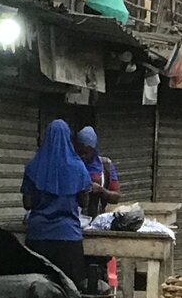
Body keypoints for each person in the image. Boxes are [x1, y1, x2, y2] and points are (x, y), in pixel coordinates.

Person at [21, 119, 92, 287]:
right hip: (68, 238)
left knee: (37, 290)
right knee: (70, 290)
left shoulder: (33, 167)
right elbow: (84, 202)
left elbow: (27, 203)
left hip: (38, 236)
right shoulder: (78, 167)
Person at [74, 126, 120, 219]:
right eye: (80, 152)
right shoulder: (73, 165)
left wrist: (101, 190)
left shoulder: (106, 165)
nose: (83, 156)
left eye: (86, 152)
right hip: (75, 219)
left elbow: (116, 198)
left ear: (94, 150)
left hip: (97, 220)